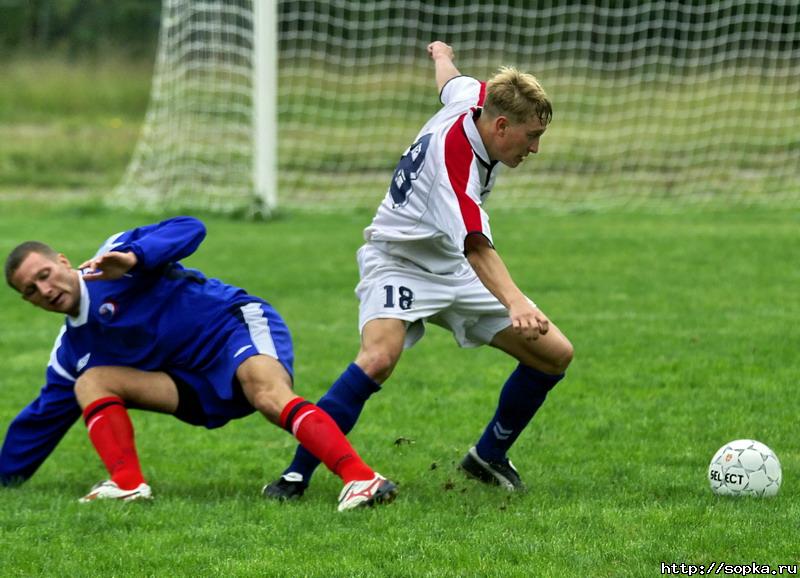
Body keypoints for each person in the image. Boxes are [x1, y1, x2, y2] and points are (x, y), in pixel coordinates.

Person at [265, 41, 574, 500]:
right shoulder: (456, 165)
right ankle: (295, 475)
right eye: (531, 137)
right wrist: (516, 302)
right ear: (502, 125)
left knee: (554, 354)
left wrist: (441, 57)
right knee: (378, 359)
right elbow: (477, 246)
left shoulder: (477, 98)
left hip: (451, 266)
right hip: (400, 262)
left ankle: (488, 455)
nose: (535, 148)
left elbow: (452, 82)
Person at [0, 216, 397, 511]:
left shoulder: (116, 258)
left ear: (64, 262)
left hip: (233, 328)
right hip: (196, 387)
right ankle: (127, 484)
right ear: (28, 301)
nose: (46, 290)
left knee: (267, 392)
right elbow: (39, 421)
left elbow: (191, 228)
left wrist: (136, 257)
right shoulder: (71, 351)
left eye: (46, 275)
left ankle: (360, 478)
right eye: (32, 290)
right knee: (90, 382)